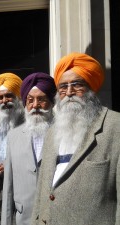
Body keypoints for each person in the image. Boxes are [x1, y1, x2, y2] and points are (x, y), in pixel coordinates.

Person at [32, 52, 120, 225]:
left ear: (91, 88)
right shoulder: (53, 132)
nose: (69, 92)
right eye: (63, 87)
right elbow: (42, 189)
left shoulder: (115, 126)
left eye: (77, 85)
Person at [1, 72, 56, 225]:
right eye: (30, 100)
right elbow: (8, 188)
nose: (35, 105)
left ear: (52, 102)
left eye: (42, 99)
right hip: (24, 219)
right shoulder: (14, 136)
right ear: (25, 103)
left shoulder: (64, 133)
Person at [0, 72, 25, 225]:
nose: (4, 101)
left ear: (19, 96)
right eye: (0, 97)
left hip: (20, 184)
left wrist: (9, 166)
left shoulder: (29, 120)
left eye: (9, 96)